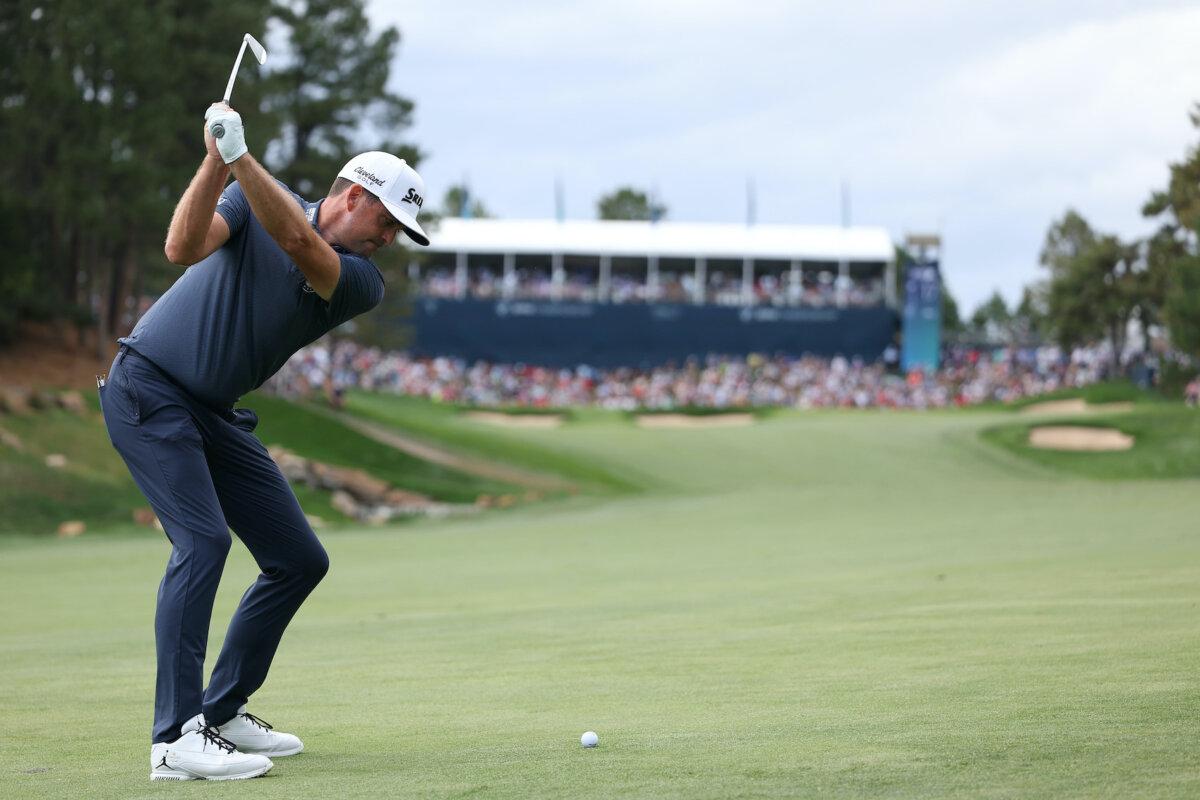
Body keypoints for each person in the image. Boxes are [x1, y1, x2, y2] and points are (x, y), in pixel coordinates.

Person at [99, 102, 429, 781]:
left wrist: (242, 159)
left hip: (211, 412)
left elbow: (303, 247)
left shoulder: (360, 279)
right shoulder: (250, 201)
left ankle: (220, 711)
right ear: (355, 197)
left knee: (297, 558)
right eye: (389, 221)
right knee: (204, 540)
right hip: (149, 390)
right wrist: (216, 160)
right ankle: (172, 739)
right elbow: (182, 249)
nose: (391, 238)